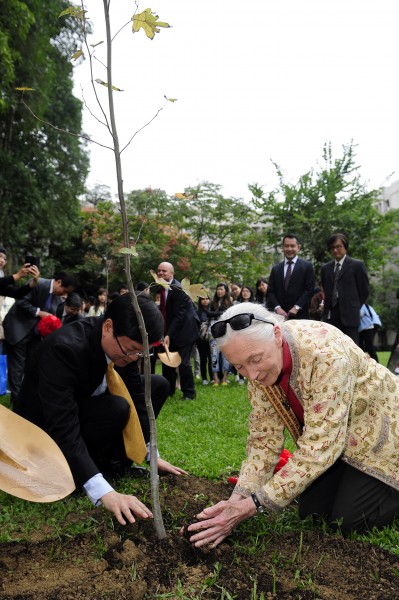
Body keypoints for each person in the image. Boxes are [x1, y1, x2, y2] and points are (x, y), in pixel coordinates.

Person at [186, 301, 399, 548]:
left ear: (277, 335)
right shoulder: (259, 359)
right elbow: (264, 439)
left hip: (381, 437)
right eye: (239, 366)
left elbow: (320, 447)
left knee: (349, 522)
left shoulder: (326, 355)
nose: (251, 375)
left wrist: (252, 505)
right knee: (312, 513)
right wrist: (238, 499)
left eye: (255, 360)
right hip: (340, 442)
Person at [14, 294, 187, 525]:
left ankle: (116, 463)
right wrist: (102, 491)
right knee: (117, 407)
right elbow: (62, 424)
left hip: (85, 406)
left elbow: (138, 398)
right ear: (108, 327)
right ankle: (83, 473)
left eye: (141, 352)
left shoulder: (124, 350)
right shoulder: (64, 350)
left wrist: (150, 453)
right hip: (42, 429)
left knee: (157, 386)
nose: (135, 357)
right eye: (132, 350)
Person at [3, 271, 77, 404]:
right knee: (17, 368)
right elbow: (21, 301)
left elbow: (52, 316)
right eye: (64, 290)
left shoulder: (57, 298)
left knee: (33, 365)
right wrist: (39, 313)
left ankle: (28, 399)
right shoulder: (39, 283)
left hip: (36, 336)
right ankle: (17, 402)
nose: (64, 294)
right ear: (58, 282)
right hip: (19, 329)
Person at [156, 262, 200, 400]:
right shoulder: (161, 288)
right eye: (159, 271)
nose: (161, 273)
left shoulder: (178, 288)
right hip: (173, 329)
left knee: (183, 362)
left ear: (171, 274)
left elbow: (179, 315)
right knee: (168, 360)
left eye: (164, 271)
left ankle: (189, 393)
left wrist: (168, 334)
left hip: (186, 329)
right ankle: (168, 391)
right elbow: (165, 313)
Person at [320, 233, 369, 345]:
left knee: (350, 348)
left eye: (338, 247)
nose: (335, 250)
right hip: (331, 316)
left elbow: (364, 290)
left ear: (345, 247)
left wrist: (354, 307)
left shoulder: (357, 265)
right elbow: (326, 290)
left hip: (350, 316)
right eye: (332, 248)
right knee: (332, 348)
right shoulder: (325, 268)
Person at [267, 234, 315, 319]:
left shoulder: (307, 266)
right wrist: (277, 308)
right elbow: (271, 291)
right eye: (286, 246)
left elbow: (309, 290)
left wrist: (296, 307)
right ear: (282, 248)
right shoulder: (276, 268)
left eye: (292, 246)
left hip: (300, 315)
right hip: (279, 316)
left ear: (298, 248)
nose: (289, 249)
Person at [209, 282, 232, 385]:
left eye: (222, 289)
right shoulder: (212, 302)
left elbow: (229, 314)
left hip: (226, 329)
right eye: (218, 289)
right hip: (213, 329)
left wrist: (216, 313)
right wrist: (221, 313)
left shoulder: (229, 302)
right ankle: (216, 379)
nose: (219, 291)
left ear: (226, 290)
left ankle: (225, 378)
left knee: (226, 354)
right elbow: (208, 314)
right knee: (214, 354)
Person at [196, 296, 213, 385]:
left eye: (207, 298)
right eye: (203, 299)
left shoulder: (213, 310)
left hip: (211, 337)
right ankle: (204, 378)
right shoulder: (197, 312)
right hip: (200, 338)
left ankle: (212, 377)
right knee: (203, 358)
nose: (205, 301)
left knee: (212, 357)